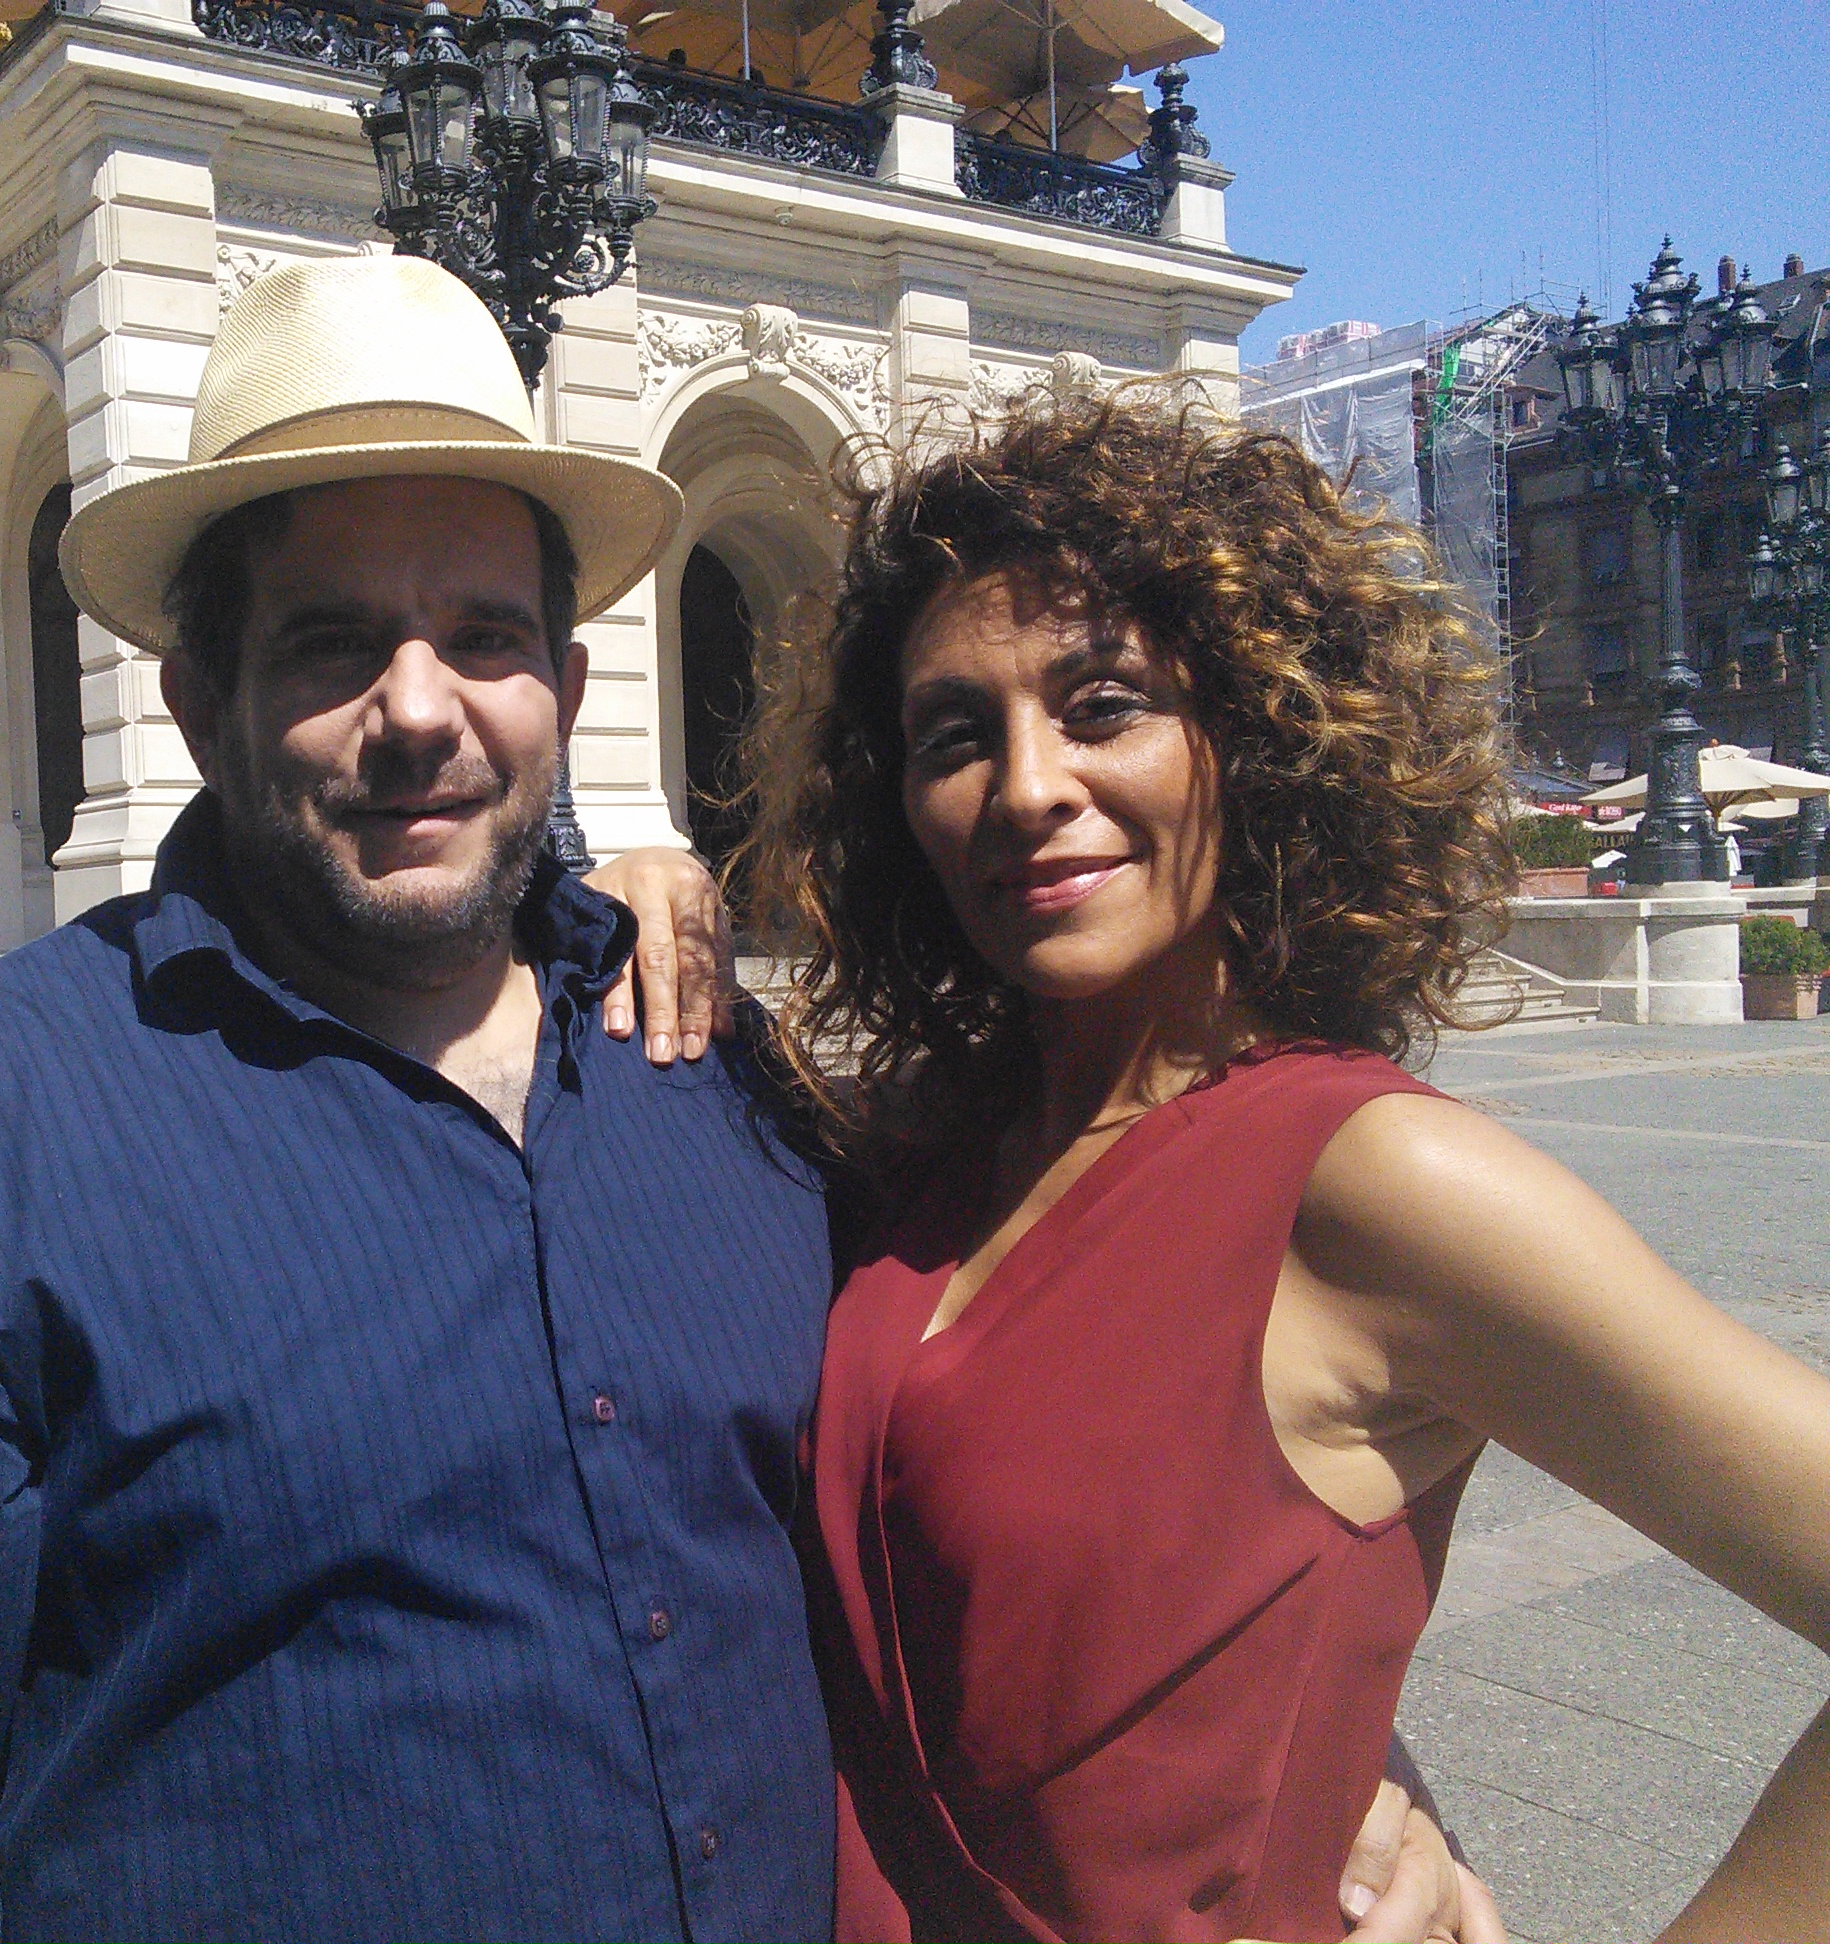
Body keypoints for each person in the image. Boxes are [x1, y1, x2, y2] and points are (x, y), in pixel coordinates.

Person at [0, 257, 1475, 1942]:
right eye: (331, 642)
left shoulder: (718, 1074)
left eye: (483, 637)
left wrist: (1342, 1763)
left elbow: (1001, 1523)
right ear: (199, 704)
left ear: (568, 688)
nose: (419, 710)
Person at [736, 383, 1830, 1943]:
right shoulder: (915, 1145)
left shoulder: (1374, 1182)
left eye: (1103, 705)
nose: (1028, 785)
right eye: (955, 735)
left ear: (1250, 737)